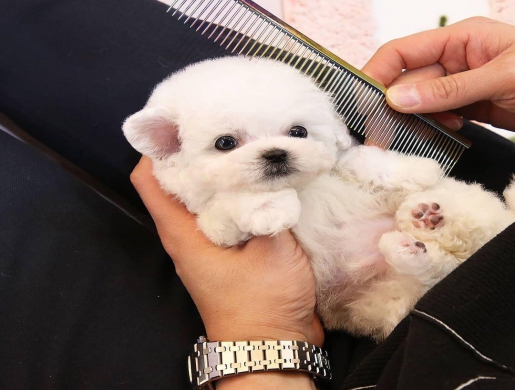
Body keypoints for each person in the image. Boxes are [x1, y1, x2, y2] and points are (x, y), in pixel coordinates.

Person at [0, 1, 514, 388]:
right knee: (59, 27)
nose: (275, 153)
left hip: (336, 351)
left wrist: (262, 330)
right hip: (482, 240)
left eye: (295, 134)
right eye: (230, 142)